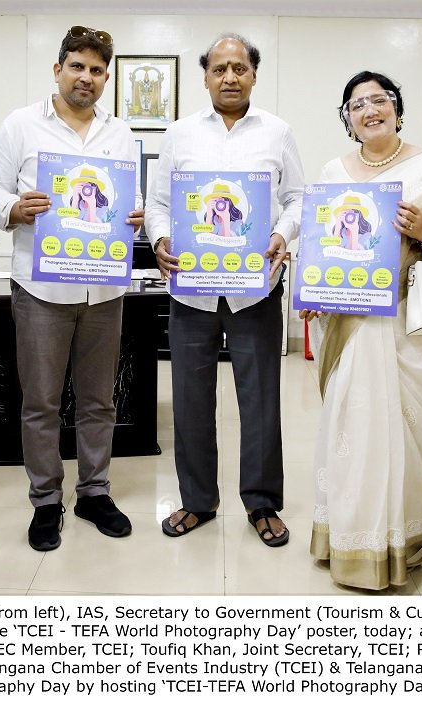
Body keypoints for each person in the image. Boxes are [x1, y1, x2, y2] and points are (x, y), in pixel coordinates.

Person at [302, 71, 422, 590]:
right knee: (352, 432)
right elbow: (321, 247)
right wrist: (311, 293)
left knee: (414, 434)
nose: (370, 110)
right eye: (357, 104)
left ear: (396, 107)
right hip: (352, 326)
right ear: (346, 119)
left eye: (379, 100)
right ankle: (351, 541)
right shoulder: (331, 172)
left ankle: (403, 542)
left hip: (415, 328)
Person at [0, 26, 143, 551]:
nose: (87, 78)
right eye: (77, 66)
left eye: (97, 70)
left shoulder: (119, 133)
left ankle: (94, 491)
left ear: (106, 78)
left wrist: (136, 217)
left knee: (100, 400)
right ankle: (46, 501)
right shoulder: (21, 125)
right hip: (40, 288)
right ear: (58, 69)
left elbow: (130, 200)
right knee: (41, 403)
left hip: (103, 290)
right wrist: (13, 207)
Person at [146, 34, 304, 547]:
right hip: (191, 291)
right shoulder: (180, 133)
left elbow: (298, 199)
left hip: (256, 290)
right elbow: (158, 203)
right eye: (219, 69)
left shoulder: (277, 132)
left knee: (259, 400)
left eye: (239, 68)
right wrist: (161, 237)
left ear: (254, 75)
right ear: (206, 77)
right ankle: (197, 501)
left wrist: (282, 234)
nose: (230, 77)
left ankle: (262, 503)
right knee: (191, 399)